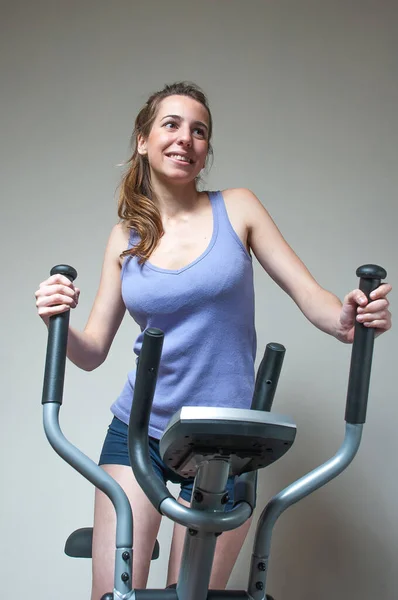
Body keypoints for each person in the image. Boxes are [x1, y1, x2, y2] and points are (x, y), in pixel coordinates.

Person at [35, 81, 392, 598]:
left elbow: (313, 298)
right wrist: (58, 322)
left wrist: (348, 318)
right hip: (140, 433)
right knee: (113, 595)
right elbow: (90, 352)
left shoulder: (238, 208)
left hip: (224, 442)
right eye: (171, 125)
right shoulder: (124, 238)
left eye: (199, 131)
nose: (185, 138)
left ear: (206, 151)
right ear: (143, 139)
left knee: (192, 594)